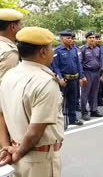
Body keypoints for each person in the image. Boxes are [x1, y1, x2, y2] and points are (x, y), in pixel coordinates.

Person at [0, 27, 64, 177]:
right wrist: (18, 153)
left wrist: (5, 148)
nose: (52, 51)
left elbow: (1, 115)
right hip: (38, 159)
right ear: (42, 52)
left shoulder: (10, 75)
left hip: (15, 151)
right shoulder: (45, 82)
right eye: (50, 47)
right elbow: (35, 131)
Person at [53, 30, 84, 126]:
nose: (71, 40)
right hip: (64, 80)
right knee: (61, 101)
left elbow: (78, 64)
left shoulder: (74, 50)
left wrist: (81, 77)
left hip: (74, 79)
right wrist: (60, 78)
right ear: (62, 39)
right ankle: (60, 120)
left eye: (71, 38)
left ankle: (72, 118)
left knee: (73, 100)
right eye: (68, 38)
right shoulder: (57, 51)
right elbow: (55, 66)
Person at [79, 32, 103, 121]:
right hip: (87, 73)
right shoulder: (83, 49)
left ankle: (94, 110)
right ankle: (84, 112)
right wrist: (82, 76)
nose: (92, 39)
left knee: (94, 92)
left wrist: (101, 74)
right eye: (90, 37)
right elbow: (80, 63)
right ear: (87, 39)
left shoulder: (98, 49)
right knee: (85, 93)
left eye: (93, 37)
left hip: (96, 73)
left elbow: (101, 62)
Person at [0, 8, 23, 83]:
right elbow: (5, 84)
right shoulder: (9, 52)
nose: (21, 28)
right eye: (20, 25)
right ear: (12, 27)